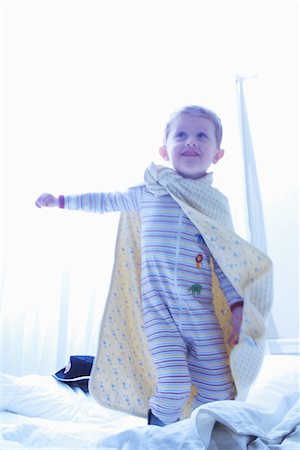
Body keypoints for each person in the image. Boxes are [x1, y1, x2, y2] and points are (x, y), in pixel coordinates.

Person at [35, 105, 247, 426]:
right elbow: (105, 201)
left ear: (217, 154)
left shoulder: (215, 205)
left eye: (201, 135)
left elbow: (225, 260)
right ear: (165, 150)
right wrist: (61, 200)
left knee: (219, 388)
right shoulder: (150, 192)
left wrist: (236, 304)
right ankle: (158, 438)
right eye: (181, 135)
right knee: (173, 385)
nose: (191, 141)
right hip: (159, 312)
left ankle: (191, 432)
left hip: (199, 311)